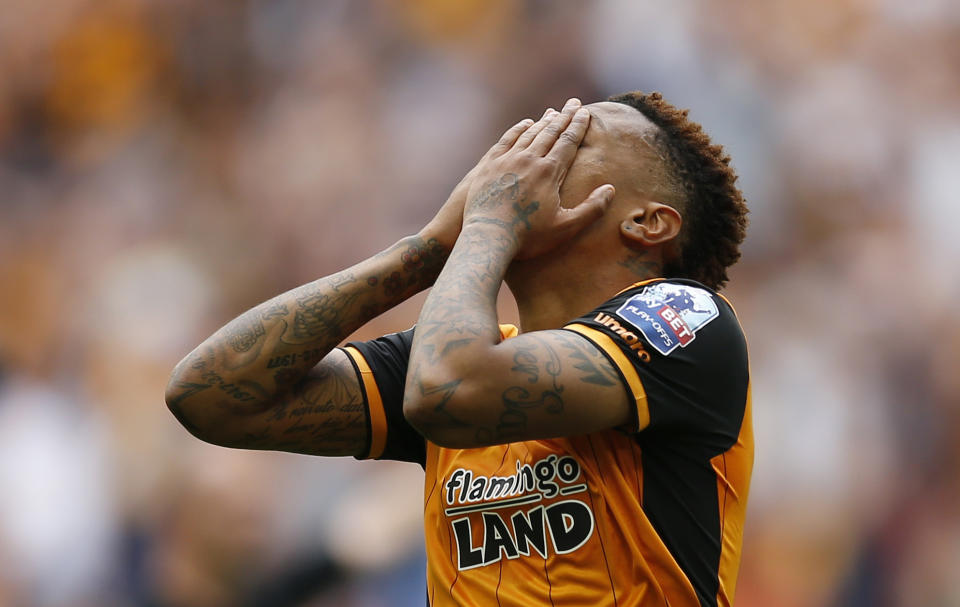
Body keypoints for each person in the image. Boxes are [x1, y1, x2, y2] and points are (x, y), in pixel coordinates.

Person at [166, 92, 752, 607]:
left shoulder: (687, 319)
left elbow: (449, 390)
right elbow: (209, 395)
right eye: (529, 138)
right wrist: (427, 248)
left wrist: (491, 225)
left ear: (648, 222)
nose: (519, 162)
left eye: (569, 143)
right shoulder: (456, 356)